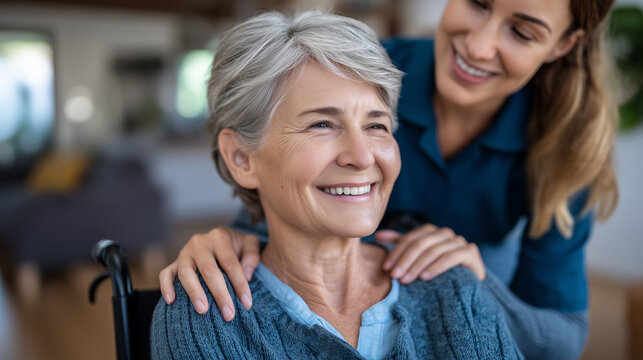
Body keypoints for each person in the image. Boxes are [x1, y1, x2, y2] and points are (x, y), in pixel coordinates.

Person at [159, 0, 619, 359]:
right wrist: (225, 242)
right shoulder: (359, 69)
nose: (478, 46)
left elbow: (560, 337)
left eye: (521, 31)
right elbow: (271, 197)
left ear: (563, 44)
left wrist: (478, 282)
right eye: (477, 3)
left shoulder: (565, 149)